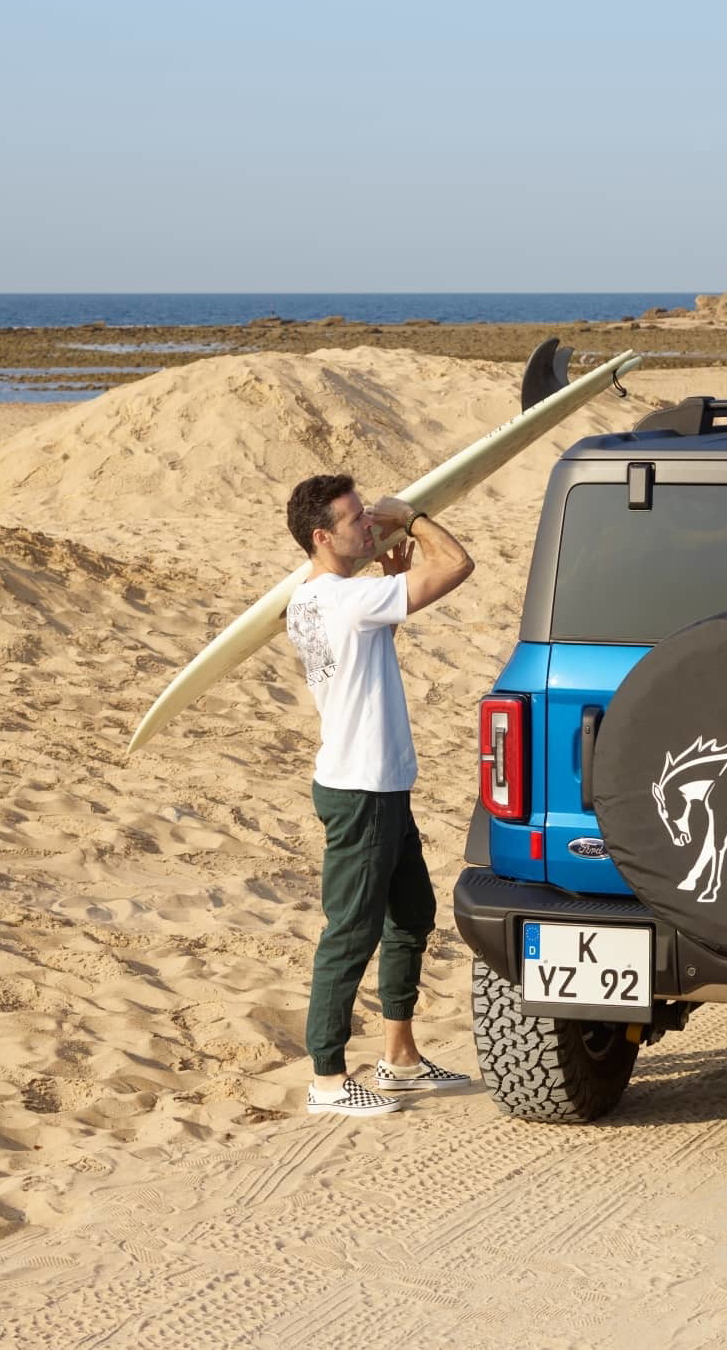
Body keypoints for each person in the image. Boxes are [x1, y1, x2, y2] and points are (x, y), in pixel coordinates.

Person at [282, 474, 476, 1116]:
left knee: (411, 916)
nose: (369, 525)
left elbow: (361, 653)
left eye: (369, 514)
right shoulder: (346, 599)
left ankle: (400, 1058)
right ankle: (327, 1081)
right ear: (322, 536)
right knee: (349, 933)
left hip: (381, 783)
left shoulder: (310, 599)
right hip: (360, 788)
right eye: (356, 519)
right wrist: (413, 518)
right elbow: (458, 565)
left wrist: (390, 576)